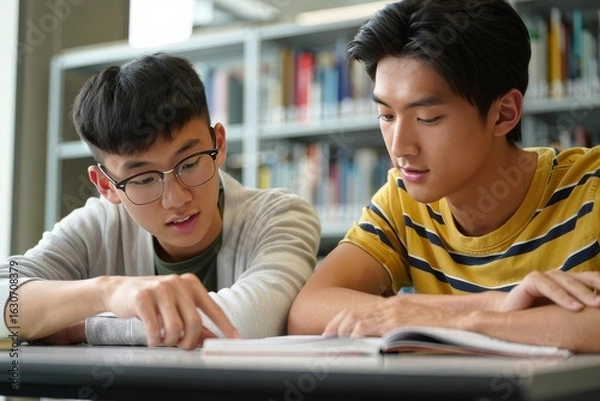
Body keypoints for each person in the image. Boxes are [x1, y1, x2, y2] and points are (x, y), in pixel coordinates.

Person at [288, 0, 600, 352]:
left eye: (428, 118)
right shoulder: (403, 198)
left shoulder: (592, 187)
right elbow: (308, 309)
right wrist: (498, 305)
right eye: (387, 116)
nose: (401, 148)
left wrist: (446, 320)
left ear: (503, 114)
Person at [0, 53, 320, 350]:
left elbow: (247, 323)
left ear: (218, 144)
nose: (176, 198)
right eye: (143, 179)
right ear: (106, 185)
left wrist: (84, 325)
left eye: (191, 162)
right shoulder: (98, 225)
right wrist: (109, 292)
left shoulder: (282, 216)